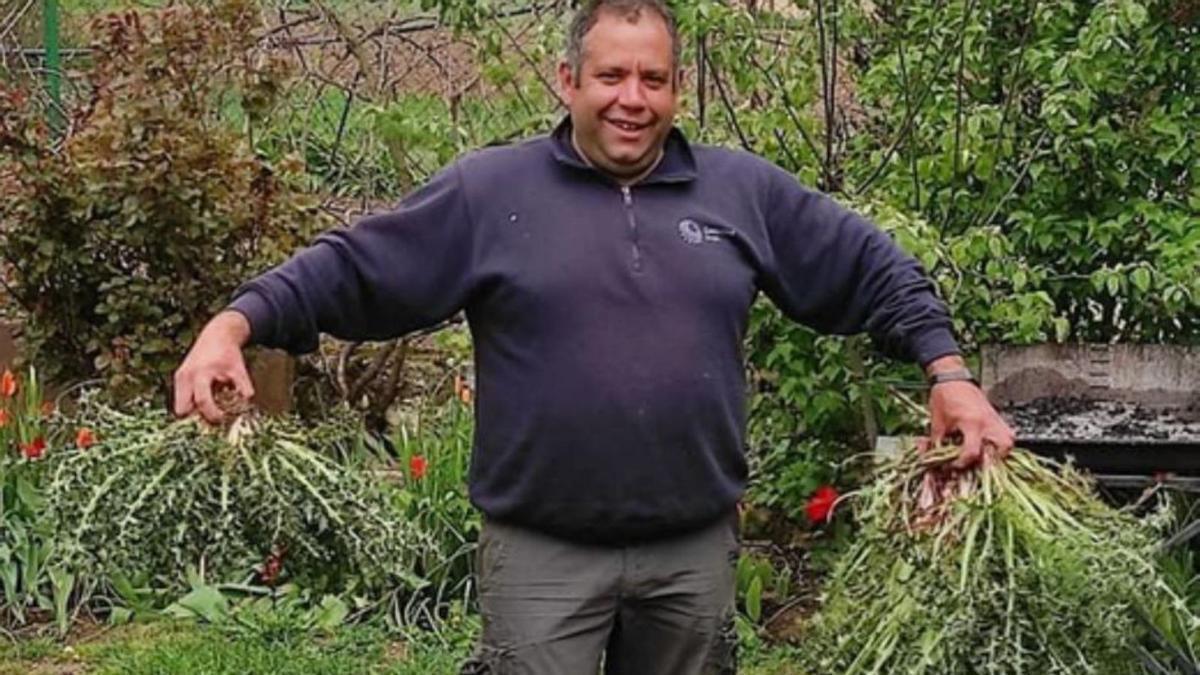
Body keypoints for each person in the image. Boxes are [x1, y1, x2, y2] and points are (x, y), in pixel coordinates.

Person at [173, 0, 1015, 672]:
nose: (632, 98)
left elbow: (874, 267)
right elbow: (353, 268)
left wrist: (949, 372)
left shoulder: (741, 193)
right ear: (567, 79)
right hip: (543, 557)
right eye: (611, 75)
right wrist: (233, 323)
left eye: (654, 78)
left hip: (692, 555)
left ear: (678, 89)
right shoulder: (489, 193)